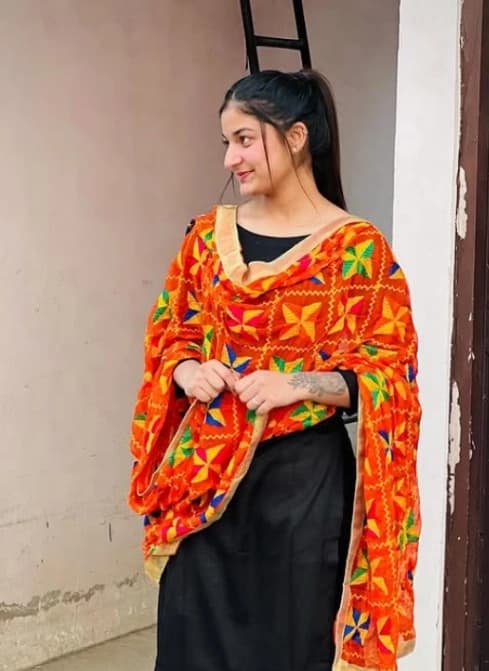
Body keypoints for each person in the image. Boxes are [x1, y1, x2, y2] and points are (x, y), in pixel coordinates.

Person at [128, 69, 421, 671]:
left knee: (290, 648)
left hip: (302, 492)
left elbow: (391, 373)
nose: (230, 159)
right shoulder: (207, 239)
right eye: (227, 142)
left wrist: (297, 384)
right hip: (205, 482)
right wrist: (186, 371)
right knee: (190, 646)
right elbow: (171, 331)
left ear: (295, 137)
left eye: (244, 139)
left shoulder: (356, 252)